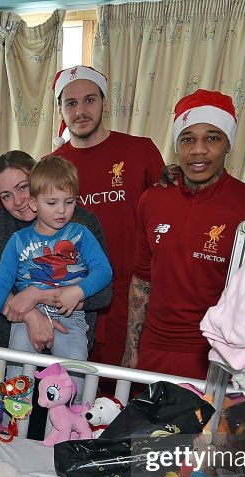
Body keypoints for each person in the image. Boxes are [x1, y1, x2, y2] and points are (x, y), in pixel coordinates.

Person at [125, 89, 245, 380]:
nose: (198, 150)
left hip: (216, 358)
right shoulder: (153, 199)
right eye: (188, 139)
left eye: (212, 138)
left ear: (228, 145)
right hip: (153, 352)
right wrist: (132, 348)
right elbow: (142, 279)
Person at [49, 65, 165, 368]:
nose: (80, 111)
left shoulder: (140, 152)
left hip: (131, 303)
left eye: (89, 100)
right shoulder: (51, 167)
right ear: (60, 110)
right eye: (70, 103)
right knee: (71, 397)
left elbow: (166, 221)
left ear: (104, 103)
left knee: (124, 397)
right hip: (72, 304)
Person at [0, 156, 112, 368]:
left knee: (73, 383)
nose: (18, 200)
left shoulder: (80, 227)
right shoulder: (8, 231)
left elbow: (104, 286)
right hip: (19, 324)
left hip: (71, 319)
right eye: (6, 195)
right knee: (17, 383)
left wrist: (40, 295)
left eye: (23, 187)